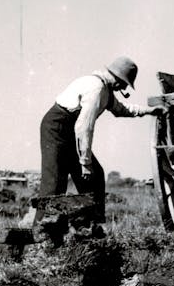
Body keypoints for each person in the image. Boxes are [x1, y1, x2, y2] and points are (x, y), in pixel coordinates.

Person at [33, 56, 164, 222]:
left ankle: (90, 225)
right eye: (124, 84)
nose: (124, 88)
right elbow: (84, 127)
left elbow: (121, 109)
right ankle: (41, 228)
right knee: (54, 182)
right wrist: (85, 163)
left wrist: (149, 111)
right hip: (56, 128)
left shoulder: (106, 90)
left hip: (70, 131)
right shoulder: (96, 88)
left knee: (95, 176)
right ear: (118, 79)